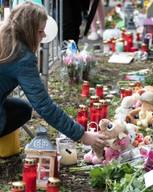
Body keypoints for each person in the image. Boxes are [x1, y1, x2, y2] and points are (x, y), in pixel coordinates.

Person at [0, 2, 107, 150]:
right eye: (40, 31)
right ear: (28, 31)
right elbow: (44, 106)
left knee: (22, 108)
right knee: (22, 111)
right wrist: (83, 136)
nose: (44, 35)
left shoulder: (4, 38)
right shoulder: (21, 56)